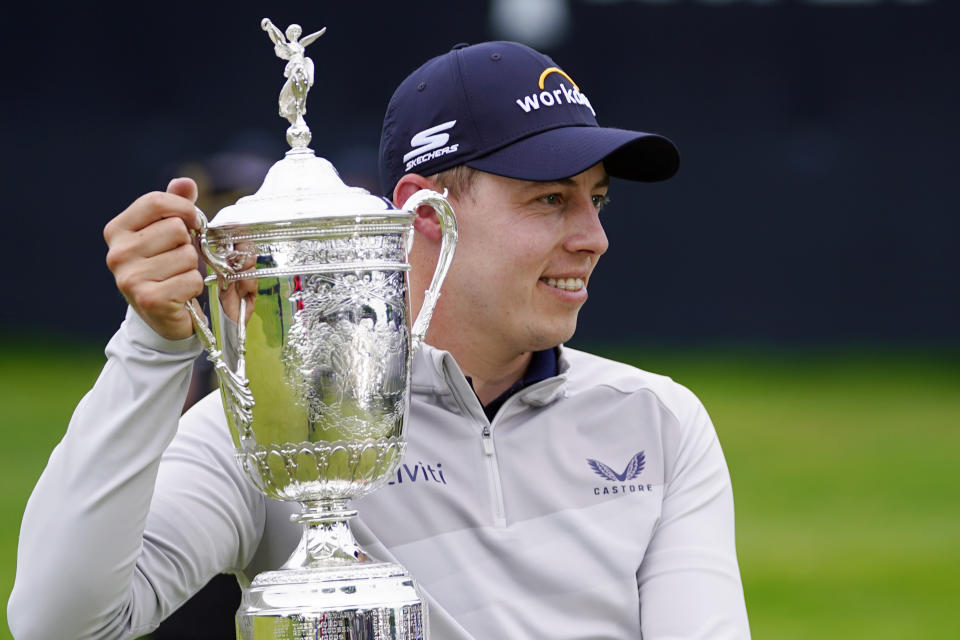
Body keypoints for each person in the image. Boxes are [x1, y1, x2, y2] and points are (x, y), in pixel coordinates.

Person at [8, 41, 750, 639]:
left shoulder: (660, 420)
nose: (593, 239)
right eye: (550, 200)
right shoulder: (264, 426)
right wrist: (151, 347)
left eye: (598, 202)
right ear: (425, 213)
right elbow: (59, 623)